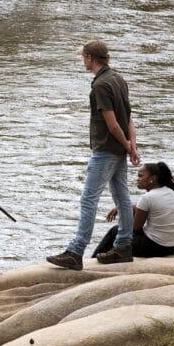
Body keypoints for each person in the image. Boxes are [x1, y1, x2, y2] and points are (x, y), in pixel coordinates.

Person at [46, 39, 141, 270]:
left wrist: (127, 146)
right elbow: (128, 117)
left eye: (83, 57)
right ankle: (123, 246)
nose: (82, 60)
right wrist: (132, 145)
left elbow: (112, 124)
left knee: (89, 199)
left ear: (90, 58)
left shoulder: (100, 85)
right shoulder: (118, 79)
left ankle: (76, 251)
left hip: (106, 150)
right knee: (122, 197)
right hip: (118, 149)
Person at [96, 162, 174, 258]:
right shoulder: (170, 191)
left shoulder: (147, 197)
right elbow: (152, 205)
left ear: (152, 179)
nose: (137, 179)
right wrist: (126, 207)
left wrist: (127, 214)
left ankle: (95, 259)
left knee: (115, 231)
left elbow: (136, 228)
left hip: (158, 248)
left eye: (140, 176)